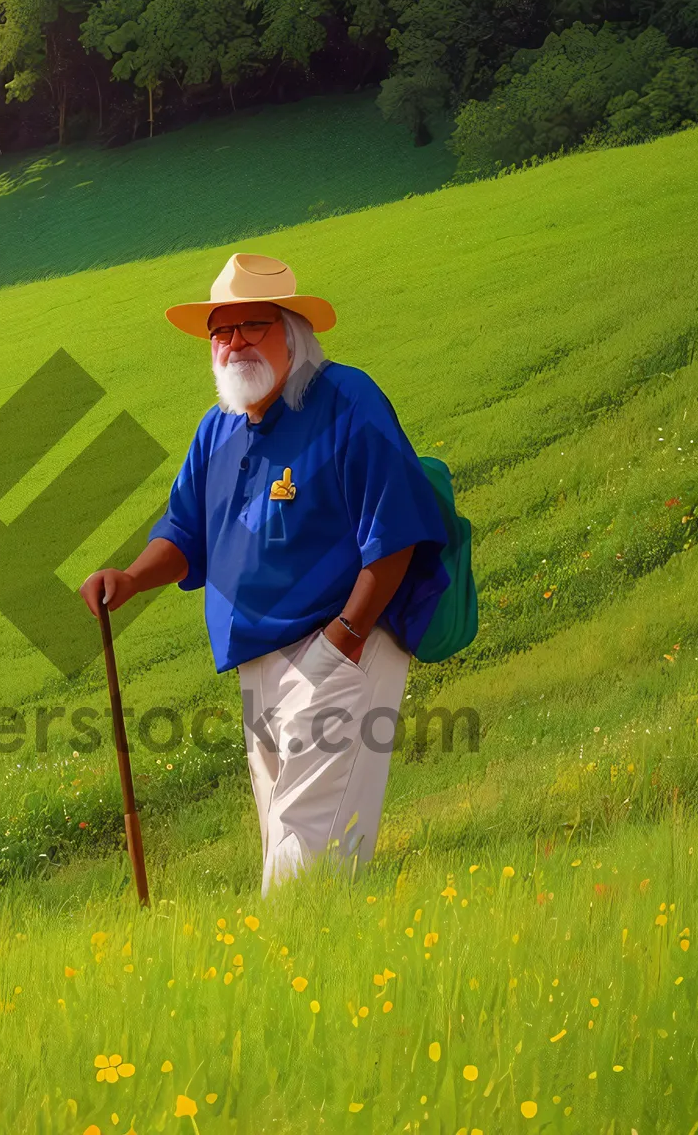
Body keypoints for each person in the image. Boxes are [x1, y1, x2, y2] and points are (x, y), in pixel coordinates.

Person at [79, 252, 449, 897]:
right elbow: (184, 534)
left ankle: (284, 962)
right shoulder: (216, 430)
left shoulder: (345, 399)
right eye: (221, 332)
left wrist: (346, 636)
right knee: (284, 823)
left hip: (340, 642)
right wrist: (133, 577)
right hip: (257, 658)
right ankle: (319, 966)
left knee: (311, 833)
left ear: (291, 332)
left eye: (251, 326)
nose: (233, 344)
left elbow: (395, 528)